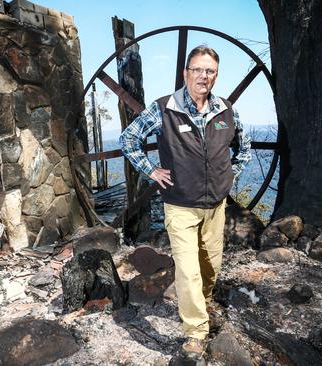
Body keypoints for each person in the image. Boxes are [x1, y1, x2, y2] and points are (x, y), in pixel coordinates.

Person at [119, 45, 251, 359]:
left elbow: (243, 147)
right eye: (198, 69)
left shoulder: (226, 111)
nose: (204, 76)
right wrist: (150, 169)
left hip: (215, 206)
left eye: (210, 71)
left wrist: (231, 174)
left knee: (210, 266)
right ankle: (195, 332)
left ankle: (201, 302)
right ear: (186, 73)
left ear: (215, 76)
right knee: (189, 270)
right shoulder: (164, 108)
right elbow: (128, 139)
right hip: (179, 205)